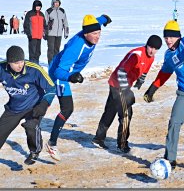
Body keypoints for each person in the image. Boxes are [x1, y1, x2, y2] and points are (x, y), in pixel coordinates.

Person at [46, 14, 112, 161]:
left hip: (67, 72)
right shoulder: (76, 48)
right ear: (86, 34)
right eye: (94, 34)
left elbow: (96, 22)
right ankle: (52, 143)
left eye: (99, 33)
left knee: (45, 101)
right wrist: (71, 77)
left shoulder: (91, 30)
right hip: (59, 74)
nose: (97, 37)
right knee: (67, 109)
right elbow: (59, 71)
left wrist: (104, 19)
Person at [143, 20, 184, 170]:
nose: (168, 40)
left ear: (178, 36)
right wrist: (152, 89)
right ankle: (170, 159)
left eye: (171, 37)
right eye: (166, 37)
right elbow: (164, 73)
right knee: (174, 122)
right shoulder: (169, 56)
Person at [92, 35, 162, 153]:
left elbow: (145, 69)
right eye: (151, 47)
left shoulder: (151, 57)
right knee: (126, 114)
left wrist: (141, 80)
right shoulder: (136, 55)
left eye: (156, 49)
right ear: (147, 45)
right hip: (118, 84)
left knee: (110, 111)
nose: (152, 51)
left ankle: (98, 138)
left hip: (118, 83)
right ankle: (122, 144)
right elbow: (121, 72)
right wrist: (126, 91)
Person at [0, 46, 56, 165]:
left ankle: (35, 151)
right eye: (16, 63)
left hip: (34, 106)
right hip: (14, 107)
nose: (20, 65)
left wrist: (44, 104)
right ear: (9, 63)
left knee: (31, 126)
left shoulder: (34, 69)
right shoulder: (2, 68)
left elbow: (51, 87)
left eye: (21, 61)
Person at [44, 0, 69, 65]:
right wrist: (45, 33)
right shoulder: (48, 11)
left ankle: (55, 63)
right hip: (50, 34)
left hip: (59, 34)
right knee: (50, 50)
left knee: (57, 50)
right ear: (52, 3)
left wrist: (66, 33)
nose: (56, 4)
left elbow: (65, 22)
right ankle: (50, 64)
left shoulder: (62, 11)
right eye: (55, 2)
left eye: (57, 2)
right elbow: (45, 23)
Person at [24, 0, 45, 64]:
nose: (38, 7)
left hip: (39, 36)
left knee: (38, 52)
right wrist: (29, 34)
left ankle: (37, 64)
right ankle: (32, 65)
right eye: (37, 6)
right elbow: (26, 25)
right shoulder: (29, 14)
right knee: (32, 52)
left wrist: (44, 34)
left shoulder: (42, 14)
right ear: (34, 6)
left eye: (39, 6)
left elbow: (44, 25)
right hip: (32, 36)